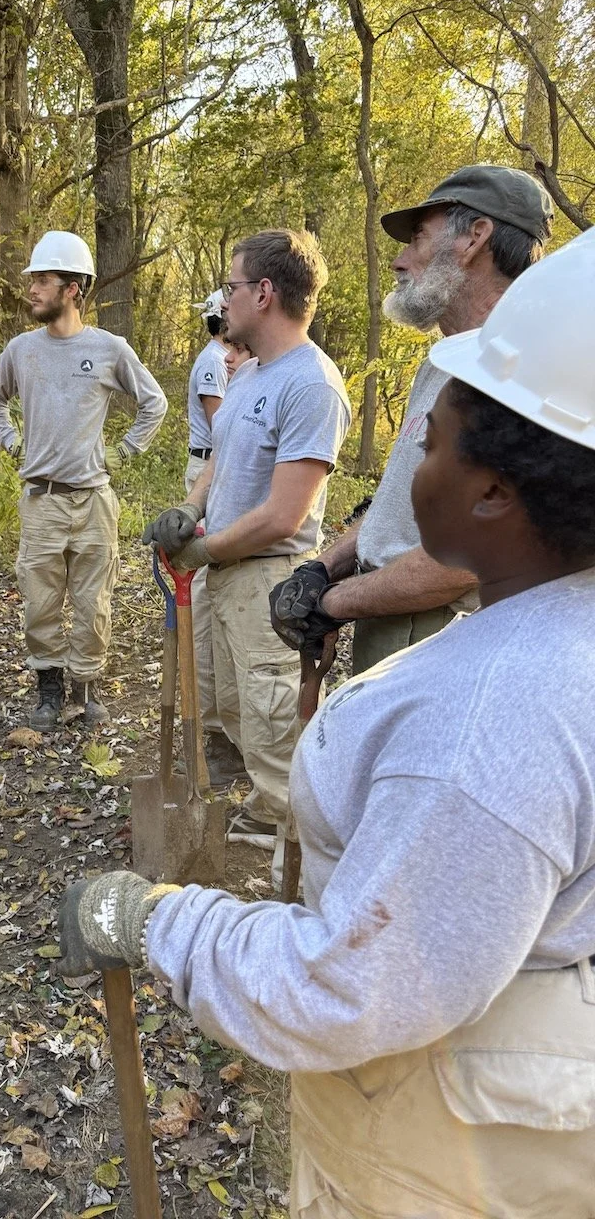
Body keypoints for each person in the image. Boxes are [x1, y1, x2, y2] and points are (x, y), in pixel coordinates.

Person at [58, 227, 595, 1219]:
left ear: (493, 489)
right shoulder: (555, 630)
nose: (411, 464)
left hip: (437, 1130)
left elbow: (354, 989)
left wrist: (156, 922)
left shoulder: (485, 726)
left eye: (429, 442)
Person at [271, 165, 554, 673]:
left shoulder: (516, 368)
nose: (399, 260)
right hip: (393, 619)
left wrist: (333, 603)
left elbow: (463, 562)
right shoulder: (443, 362)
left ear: (475, 237)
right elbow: (400, 510)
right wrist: (324, 568)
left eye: (418, 237)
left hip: (448, 641)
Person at [143, 229, 351, 854]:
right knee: (231, 704)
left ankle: (302, 846)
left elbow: (284, 516)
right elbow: (220, 457)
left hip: (269, 577)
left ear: (264, 293)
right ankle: (266, 812)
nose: (222, 299)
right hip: (223, 571)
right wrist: (191, 508)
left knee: (272, 713)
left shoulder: (311, 385)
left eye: (230, 286)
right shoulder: (251, 371)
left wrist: (204, 550)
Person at [0, 230, 167, 732]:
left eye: (43, 280)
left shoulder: (108, 349)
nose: (32, 289)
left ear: (73, 289)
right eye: (33, 279)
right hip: (41, 500)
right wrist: (12, 442)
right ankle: (49, 688)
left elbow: (154, 403)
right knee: (40, 602)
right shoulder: (22, 350)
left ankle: (86, 686)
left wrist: (124, 451)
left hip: (93, 503)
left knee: (93, 603)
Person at [186, 296, 249, 786]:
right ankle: (216, 732)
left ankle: (231, 736)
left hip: (225, 485)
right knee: (206, 614)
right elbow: (220, 432)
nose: (231, 355)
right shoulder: (215, 363)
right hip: (210, 472)